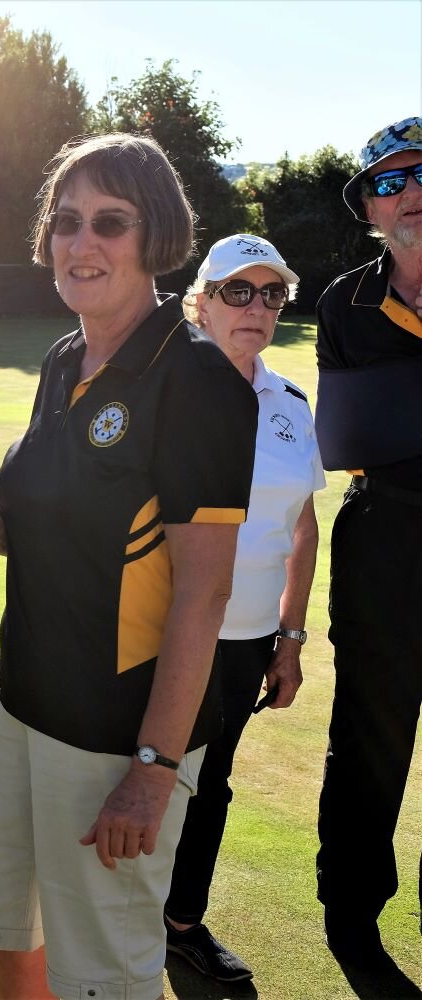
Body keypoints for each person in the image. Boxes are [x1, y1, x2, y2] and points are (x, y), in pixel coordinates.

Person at [0, 134, 258, 1000]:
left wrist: (153, 772)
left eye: (109, 223)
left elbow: (204, 590)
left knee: (104, 980)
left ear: (155, 238)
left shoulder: (198, 380)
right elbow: (85, 522)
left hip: (118, 737)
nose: (82, 244)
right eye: (66, 222)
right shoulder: (62, 359)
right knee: (5, 935)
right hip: (21, 706)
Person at [160, 235, 323, 983]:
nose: (257, 307)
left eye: (272, 294)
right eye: (238, 291)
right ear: (202, 302)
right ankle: (114, 919)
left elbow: (302, 522)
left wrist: (290, 636)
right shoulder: (163, 388)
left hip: (249, 637)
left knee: (211, 783)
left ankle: (179, 923)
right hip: (159, 630)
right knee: (142, 773)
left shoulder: (291, 402)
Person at [314, 115, 422, 971]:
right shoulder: (345, 300)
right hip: (383, 531)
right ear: (369, 209)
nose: (411, 193)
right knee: (370, 728)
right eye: (390, 182)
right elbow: (349, 439)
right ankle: (350, 912)